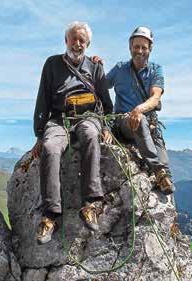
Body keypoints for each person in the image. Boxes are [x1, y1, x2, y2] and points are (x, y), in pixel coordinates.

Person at [32, 21, 113, 244]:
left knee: (89, 135)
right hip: (60, 120)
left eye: (82, 40)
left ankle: (91, 204)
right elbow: (43, 99)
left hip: (88, 117)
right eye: (73, 39)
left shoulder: (96, 67)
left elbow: (106, 103)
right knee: (50, 147)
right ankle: (50, 216)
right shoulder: (52, 64)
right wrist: (40, 134)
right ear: (66, 40)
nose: (77, 44)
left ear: (87, 44)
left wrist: (105, 127)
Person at [105, 26, 174, 194]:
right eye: (136, 46)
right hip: (123, 123)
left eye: (144, 47)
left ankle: (162, 173)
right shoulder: (120, 69)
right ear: (130, 47)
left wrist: (139, 109)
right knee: (140, 120)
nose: (140, 51)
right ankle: (157, 171)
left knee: (166, 168)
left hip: (149, 125)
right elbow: (101, 86)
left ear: (150, 49)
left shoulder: (155, 70)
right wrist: (94, 65)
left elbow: (155, 96)